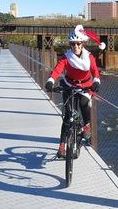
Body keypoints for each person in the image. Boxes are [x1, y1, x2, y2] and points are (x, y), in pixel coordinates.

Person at [45, 25, 106, 158]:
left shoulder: (89, 57)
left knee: (84, 103)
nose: (76, 47)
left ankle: (87, 126)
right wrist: (50, 81)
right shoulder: (66, 57)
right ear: (70, 45)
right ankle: (62, 146)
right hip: (69, 85)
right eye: (73, 44)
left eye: (78, 44)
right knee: (68, 116)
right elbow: (57, 70)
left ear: (82, 44)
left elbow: (95, 71)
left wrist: (96, 81)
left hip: (85, 86)